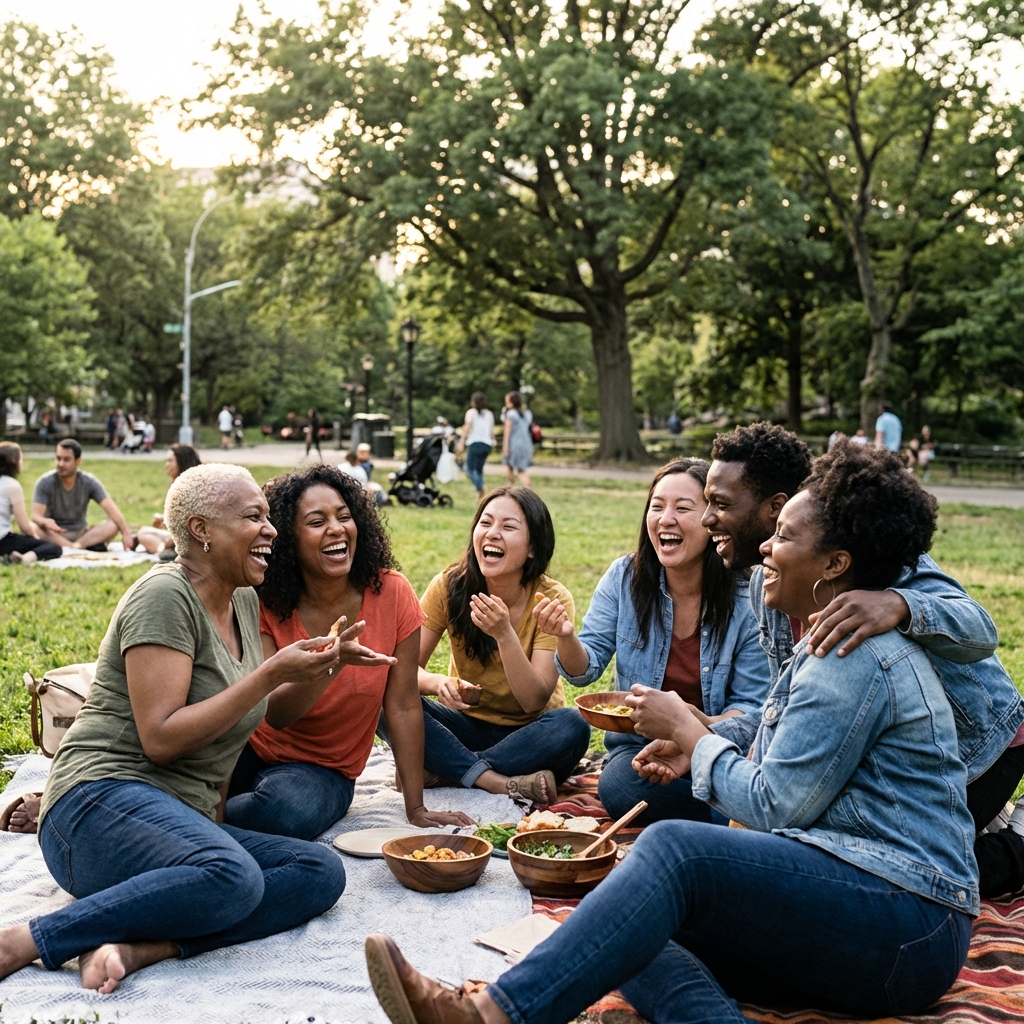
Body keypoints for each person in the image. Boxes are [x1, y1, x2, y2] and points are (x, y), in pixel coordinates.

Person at [364, 442, 978, 1024]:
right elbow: (789, 766)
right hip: (869, 913)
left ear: (836, 565)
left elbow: (772, 804)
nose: (767, 548)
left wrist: (690, 729)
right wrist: (696, 751)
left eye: (785, 537)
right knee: (627, 928)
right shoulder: (818, 639)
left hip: (907, 920)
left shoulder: (852, 656)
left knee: (671, 852)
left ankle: (491, 1013)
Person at [0, 464, 347, 993]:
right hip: (94, 811)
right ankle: (31, 939)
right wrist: (267, 674)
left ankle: (144, 946)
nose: (271, 529)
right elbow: (160, 738)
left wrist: (326, 665)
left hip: (170, 834)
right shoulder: (165, 595)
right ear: (201, 530)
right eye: (253, 516)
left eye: (268, 516)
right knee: (234, 876)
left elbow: (266, 716)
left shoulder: (242, 599)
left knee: (318, 870)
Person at [702, 421, 1024, 897]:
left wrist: (900, 604)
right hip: (876, 746)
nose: (707, 517)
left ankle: (1016, 844)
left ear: (773, 509)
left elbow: (979, 629)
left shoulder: (884, 559)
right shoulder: (763, 587)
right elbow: (785, 711)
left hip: (977, 751)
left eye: (722, 503)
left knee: (893, 870)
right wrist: (708, 735)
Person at [225, 464, 471, 839]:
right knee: (181, 782)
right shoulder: (263, 598)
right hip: (250, 746)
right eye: (317, 521)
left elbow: (403, 705)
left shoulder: (392, 593)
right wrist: (332, 662)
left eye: (344, 516)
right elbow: (275, 713)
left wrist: (416, 807)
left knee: (283, 812)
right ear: (288, 538)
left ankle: (208, 823)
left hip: (323, 769)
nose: (337, 528)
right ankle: (203, 819)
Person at [537, 458, 769, 824]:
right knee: (618, 784)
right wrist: (565, 637)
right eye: (657, 506)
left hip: (718, 747)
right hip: (640, 751)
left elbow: (751, 709)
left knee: (729, 777)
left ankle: (729, 814)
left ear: (712, 520)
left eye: (682, 507)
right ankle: (733, 817)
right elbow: (583, 672)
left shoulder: (746, 596)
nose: (665, 519)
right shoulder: (624, 577)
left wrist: (691, 732)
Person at [408, 486, 590, 803]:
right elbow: (406, 670)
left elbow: (533, 700)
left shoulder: (551, 599)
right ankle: (495, 781)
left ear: (533, 547)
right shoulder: (450, 586)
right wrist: (439, 683)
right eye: (486, 523)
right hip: (463, 725)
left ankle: (448, 770)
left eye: (508, 527)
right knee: (381, 693)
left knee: (572, 726)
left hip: (530, 733)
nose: (492, 534)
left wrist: (505, 634)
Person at [32, 440, 136, 551]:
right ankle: (72, 546)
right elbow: (35, 516)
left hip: (82, 534)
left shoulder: (88, 481)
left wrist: (126, 533)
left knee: (114, 524)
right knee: (33, 528)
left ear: (78, 461)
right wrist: (45, 522)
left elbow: (112, 510)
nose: (61, 464)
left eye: (66, 459)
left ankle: (77, 546)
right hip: (54, 534)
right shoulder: (45, 482)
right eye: (58, 459)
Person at [0, 442, 61, 565]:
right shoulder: (12, 485)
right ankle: (24, 559)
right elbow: (24, 526)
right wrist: (35, 538)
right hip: (3, 541)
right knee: (54, 548)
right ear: (14, 462)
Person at [135, 444, 203, 555]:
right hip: (179, 537)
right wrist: (165, 520)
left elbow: (191, 523)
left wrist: (170, 542)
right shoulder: (177, 484)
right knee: (143, 532)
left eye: (170, 461)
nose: (166, 465)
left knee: (145, 536)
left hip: (191, 540)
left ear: (181, 462)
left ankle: (164, 552)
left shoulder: (191, 488)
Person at [457, 392, 495, 497]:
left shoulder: (471, 413)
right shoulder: (489, 414)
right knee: (478, 470)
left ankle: (480, 489)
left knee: (469, 469)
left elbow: (467, 428)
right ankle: (480, 493)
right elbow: (491, 431)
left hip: (475, 443)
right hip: (487, 444)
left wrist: (461, 442)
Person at [501, 392, 533, 489]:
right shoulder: (527, 414)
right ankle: (514, 489)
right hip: (527, 444)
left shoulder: (511, 414)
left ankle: (516, 488)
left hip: (514, 444)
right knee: (521, 468)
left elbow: (507, 432)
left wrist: (505, 447)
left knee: (515, 469)